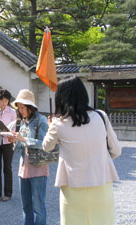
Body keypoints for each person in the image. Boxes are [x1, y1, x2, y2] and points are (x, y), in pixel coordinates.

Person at [42, 76, 122, 225]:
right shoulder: (101, 116)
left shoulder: (58, 123)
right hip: (101, 185)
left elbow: (46, 147)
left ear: (61, 98)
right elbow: (116, 150)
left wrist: (50, 126)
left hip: (73, 189)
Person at [8, 89, 49, 225]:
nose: (20, 110)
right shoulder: (22, 122)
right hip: (23, 168)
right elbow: (20, 145)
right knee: (26, 206)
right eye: (19, 107)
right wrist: (14, 140)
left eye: (23, 107)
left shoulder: (42, 120)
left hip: (38, 168)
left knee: (38, 207)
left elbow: (44, 144)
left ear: (30, 106)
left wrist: (23, 139)